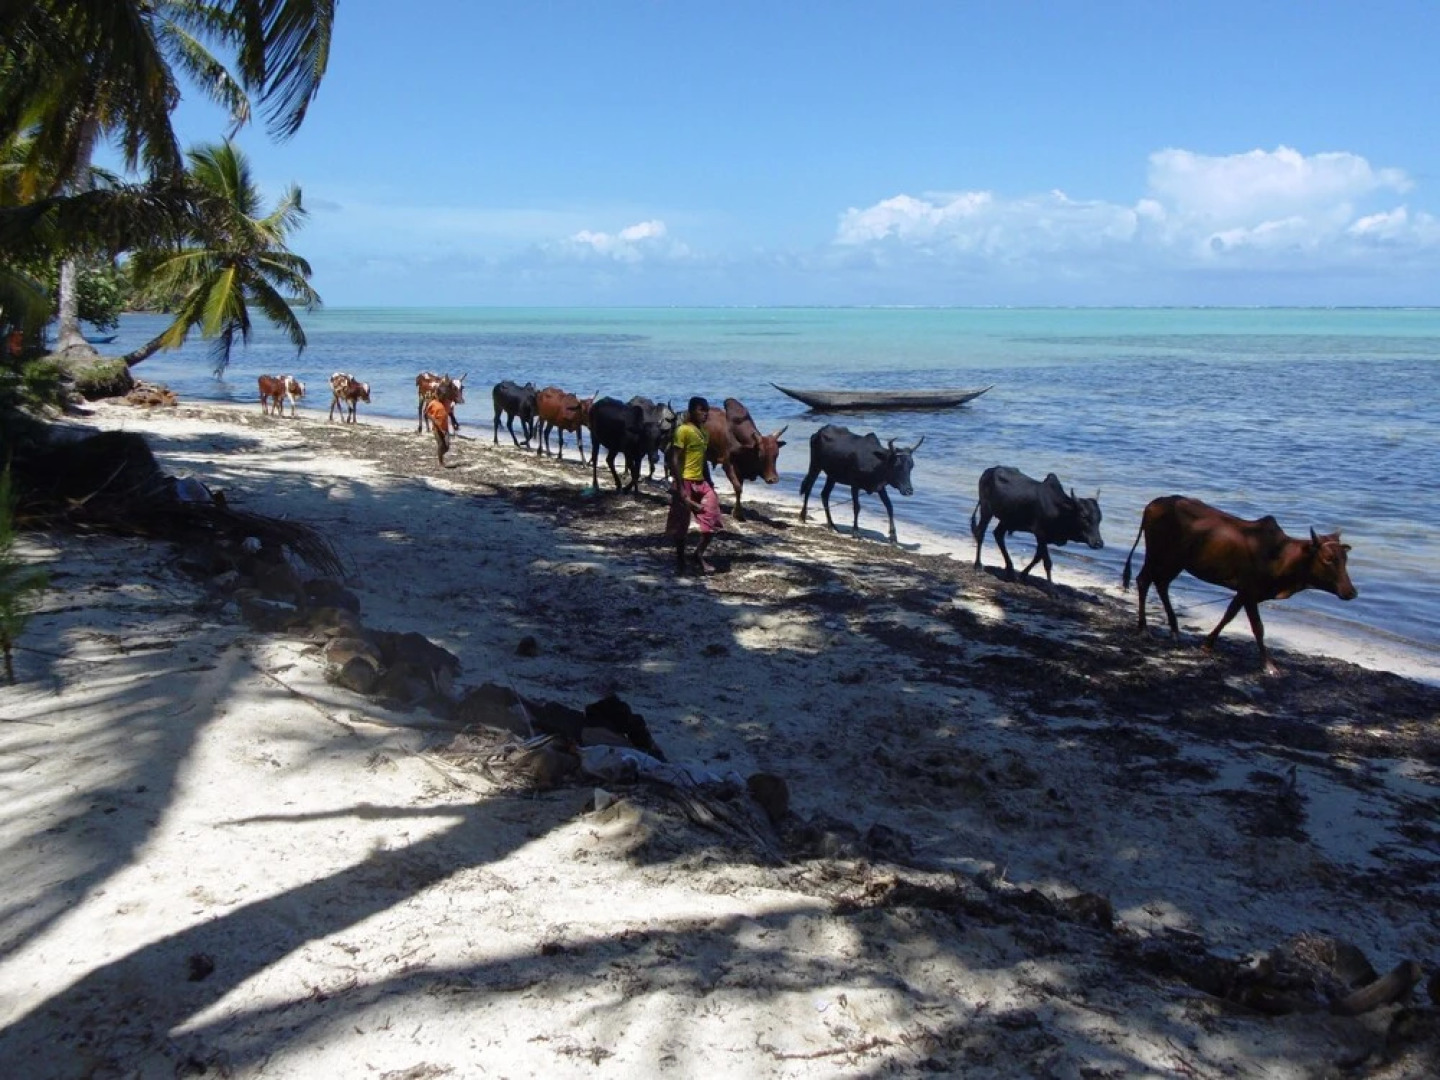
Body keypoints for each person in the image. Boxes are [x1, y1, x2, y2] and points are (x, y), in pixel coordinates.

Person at [665, 396, 723, 574]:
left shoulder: (704, 433)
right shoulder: (683, 430)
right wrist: (680, 487)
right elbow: (673, 458)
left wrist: (709, 481)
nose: (705, 413)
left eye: (706, 410)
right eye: (700, 410)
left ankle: (698, 554)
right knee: (681, 525)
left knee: (712, 519)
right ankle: (680, 562)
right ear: (691, 412)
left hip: (701, 482)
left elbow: (702, 459)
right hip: (684, 481)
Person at [426, 395, 454, 466]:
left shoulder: (446, 403)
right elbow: (427, 413)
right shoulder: (433, 403)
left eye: (444, 396)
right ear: (437, 395)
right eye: (441, 396)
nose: (443, 398)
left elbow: (450, 413)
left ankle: (440, 454)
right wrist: (433, 420)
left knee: (447, 446)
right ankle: (440, 461)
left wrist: (454, 421)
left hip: (445, 428)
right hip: (437, 428)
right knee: (441, 444)